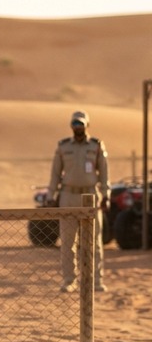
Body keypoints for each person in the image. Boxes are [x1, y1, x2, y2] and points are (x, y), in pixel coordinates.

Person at [47, 110, 110, 293]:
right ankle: (69, 280)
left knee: (94, 241)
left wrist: (106, 195)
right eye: (75, 124)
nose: (78, 127)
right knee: (67, 241)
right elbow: (55, 174)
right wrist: (51, 196)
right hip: (68, 196)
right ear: (71, 126)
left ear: (87, 125)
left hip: (90, 197)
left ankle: (96, 280)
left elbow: (104, 173)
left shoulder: (96, 146)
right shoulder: (63, 147)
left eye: (81, 124)